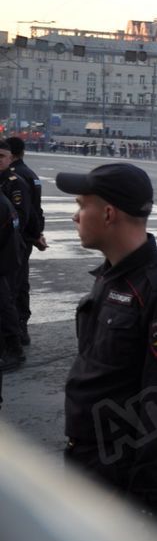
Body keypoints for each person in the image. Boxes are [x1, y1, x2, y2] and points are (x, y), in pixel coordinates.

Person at [57, 164, 157, 527]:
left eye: (81, 205)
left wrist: (145, 509)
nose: (75, 216)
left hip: (118, 481)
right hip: (88, 464)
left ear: (108, 213)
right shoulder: (112, 277)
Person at [4, 138, 45, 347]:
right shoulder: (29, 174)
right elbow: (36, 209)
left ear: (11, 154)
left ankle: (17, 334)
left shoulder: (16, 177)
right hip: (25, 237)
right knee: (19, 285)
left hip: (16, 239)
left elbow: (24, 213)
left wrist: (33, 234)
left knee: (13, 287)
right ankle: (20, 329)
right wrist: (37, 234)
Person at [0, 144, 31, 370]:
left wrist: (35, 236)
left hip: (8, 252)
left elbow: (20, 218)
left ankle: (14, 347)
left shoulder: (15, 183)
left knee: (6, 300)